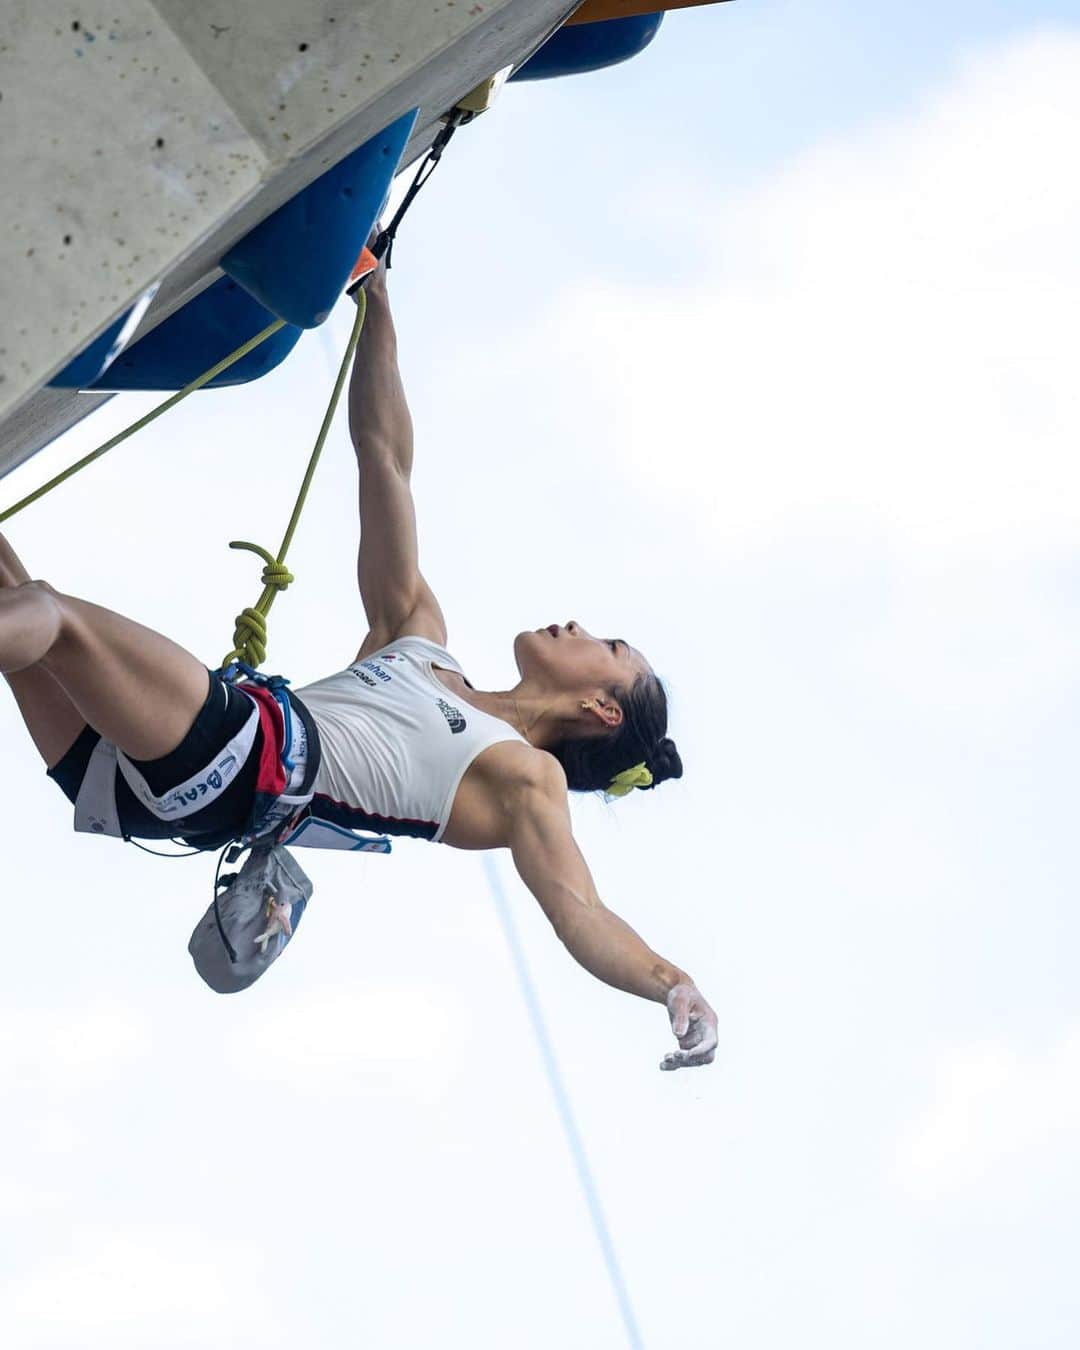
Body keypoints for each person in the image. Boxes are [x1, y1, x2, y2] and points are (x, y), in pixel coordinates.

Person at [0, 254, 717, 1072]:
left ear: (602, 708)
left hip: (234, 764)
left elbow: (580, 910)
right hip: (142, 795)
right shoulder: (414, 633)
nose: (583, 626)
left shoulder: (524, 779)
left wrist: (670, 982)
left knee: (50, 615)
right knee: (17, 594)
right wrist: (373, 294)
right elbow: (385, 457)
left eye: (610, 648)